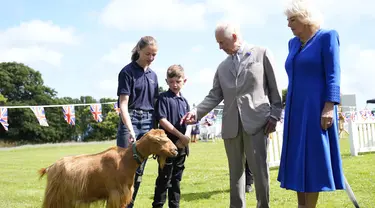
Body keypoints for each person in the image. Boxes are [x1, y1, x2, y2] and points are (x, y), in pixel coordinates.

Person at [181, 22, 282, 208]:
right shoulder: (222, 67)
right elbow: (214, 95)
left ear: (234, 36)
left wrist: (275, 115)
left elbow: (275, 89)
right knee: (235, 173)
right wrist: (196, 112)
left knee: (260, 171)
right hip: (231, 126)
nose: (219, 47)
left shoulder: (262, 53)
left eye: (222, 42)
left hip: (258, 123)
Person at [277, 0, 345, 207]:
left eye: (292, 19)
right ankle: (301, 205)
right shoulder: (293, 43)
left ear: (305, 18)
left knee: (313, 159)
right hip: (295, 110)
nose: (289, 25)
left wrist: (329, 107)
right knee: (297, 158)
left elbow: (334, 74)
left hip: (316, 109)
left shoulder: (327, 37)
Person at [116, 36, 159, 208]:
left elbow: (155, 104)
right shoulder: (127, 72)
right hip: (130, 120)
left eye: (154, 55)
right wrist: (130, 129)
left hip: (149, 122)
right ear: (139, 50)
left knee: (139, 170)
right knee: (124, 168)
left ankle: (129, 205)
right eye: (148, 53)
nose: (151, 58)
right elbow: (123, 104)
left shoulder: (154, 76)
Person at [152, 64, 190, 208]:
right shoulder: (163, 98)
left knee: (176, 180)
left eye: (178, 81)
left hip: (181, 148)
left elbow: (189, 122)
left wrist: (184, 139)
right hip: (167, 148)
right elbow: (162, 120)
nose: (174, 85)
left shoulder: (184, 102)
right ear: (166, 81)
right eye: (171, 81)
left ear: (184, 81)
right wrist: (180, 136)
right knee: (164, 180)